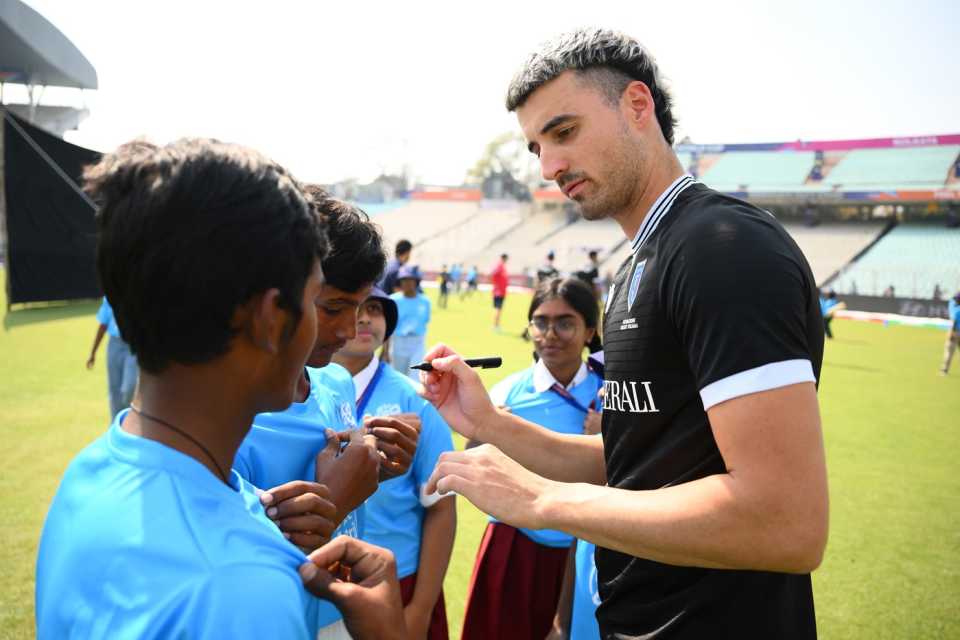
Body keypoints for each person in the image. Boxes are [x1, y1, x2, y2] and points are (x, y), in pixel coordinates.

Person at [422, 29, 828, 639]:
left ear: (638, 107)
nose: (549, 166)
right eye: (536, 147)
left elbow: (786, 521)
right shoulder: (643, 260)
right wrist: (490, 426)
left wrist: (540, 501)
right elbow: (638, 462)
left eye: (563, 133)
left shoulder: (721, 248)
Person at [37, 139, 407, 639]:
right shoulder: (243, 589)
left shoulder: (91, 471)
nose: (343, 331)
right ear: (271, 319)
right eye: (316, 296)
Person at [234, 189, 420, 640]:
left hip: (347, 608)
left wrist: (377, 469)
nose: (348, 329)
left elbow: (348, 491)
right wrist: (332, 500)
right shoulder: (234, 423)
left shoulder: (335, 382)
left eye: (360, 308)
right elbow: (234, 568)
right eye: (333, 307)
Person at [461, 277, 603, 640]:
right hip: (513, 549)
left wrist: (606, 434)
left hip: (585, 550)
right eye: (540, 321)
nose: (550, 334)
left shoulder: (609, 395)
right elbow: (472, 464)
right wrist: (485, 434)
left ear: (590, 331)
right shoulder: (507, 393)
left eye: (565, 322)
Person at [333, 288, 456, 640]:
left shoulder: (413, 398)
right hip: (317, 580)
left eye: (374, 309)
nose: (363, 318)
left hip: (397, 581)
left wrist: (420, 609)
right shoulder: (299, 393)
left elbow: (442, 507)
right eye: (351, 306)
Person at [86, 296, 140, 418]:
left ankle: (128, 419)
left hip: (133, 346)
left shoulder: (137, 291)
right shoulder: (111, 295)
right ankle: (115, 425)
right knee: (114, 391)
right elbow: (103, 325)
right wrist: (93, 353)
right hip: (114, 345)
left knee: (129, 387)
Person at [390, 266, 432, 382]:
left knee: (416, 375)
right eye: (403, 280)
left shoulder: (425, 301)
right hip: (399, 341)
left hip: (417, 342)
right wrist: (386, 350)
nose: (407, 283)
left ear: (416, 281)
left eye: (410, 280)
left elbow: (425, 320)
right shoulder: (393, 300)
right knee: (399, 376)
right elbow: (389, 326)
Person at [940, 291, 960, 375]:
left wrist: (951, 334)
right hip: (956, 332)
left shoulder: (954, 308)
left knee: (949, 352)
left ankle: (944, 370)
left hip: (955, 332)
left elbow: (954, 323)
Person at [491, 253, 509, 331]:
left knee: (498, 309)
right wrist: (496, 285)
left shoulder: (501, 266)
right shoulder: (500, 266)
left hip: (499, 291)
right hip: (499, 292)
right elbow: (492, 274)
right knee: (498, 309)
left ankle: (496, 325)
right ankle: (495, 326)